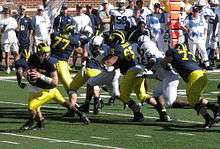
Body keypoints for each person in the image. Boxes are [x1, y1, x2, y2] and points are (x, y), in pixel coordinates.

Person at [19, 43, 90, 130]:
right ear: (38, 53)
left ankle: (31, 121)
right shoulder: (33, 58)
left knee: (31, 106)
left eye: (47, 52)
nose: (46, 55)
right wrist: (28, 75)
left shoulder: (50, 63)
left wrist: (40, 76)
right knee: (65, 104)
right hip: (42, 89)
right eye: (43, 53)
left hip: (48, 90)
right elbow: (30, 71)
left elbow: (55, 83)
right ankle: (80, 114)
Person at [162, 43, 220, 128]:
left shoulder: (174, 52)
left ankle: (210, 115)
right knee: (194, 99)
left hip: (194, 76)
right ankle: (212, 110)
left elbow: (165, 60)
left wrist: (165, 64)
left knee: (192, 101)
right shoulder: (189, 54)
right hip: (201, 75)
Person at [0, 7, 19, 74]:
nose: (7, 14)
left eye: (8, 13)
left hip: (13, 39)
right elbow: (1, 31)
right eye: (6, 13)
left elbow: (17, 28)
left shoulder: (13, 19)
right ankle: (7, 67)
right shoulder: (2, 21)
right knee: (7, 54)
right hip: (5, 40)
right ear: (4, 13)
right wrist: (4, 27)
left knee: (16, 53)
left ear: (10, 13)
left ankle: (15, 66)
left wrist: (15, 27)